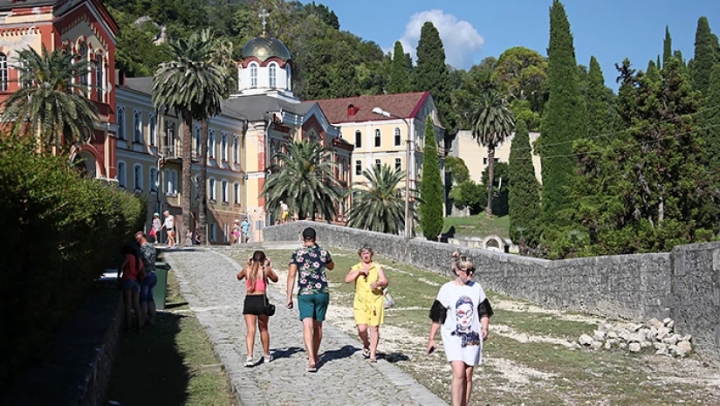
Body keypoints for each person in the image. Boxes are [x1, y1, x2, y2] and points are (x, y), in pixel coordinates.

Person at [427, 253, 493, 406]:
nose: (470, 274)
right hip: (453, 337)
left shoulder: (476, 288)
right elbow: (438, 315)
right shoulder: (447, 289)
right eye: (467, 271)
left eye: (472, 270)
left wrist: (485, 327)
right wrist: (431, 338)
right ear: (457, 271)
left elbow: (483, 311)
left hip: (472, 336)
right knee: (459, 372)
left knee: (468, 375)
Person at [286, 227, 334, 373]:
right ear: (315, 238)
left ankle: (311, 358)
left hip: (305, 293)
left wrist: (289, 297)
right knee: (318, 326)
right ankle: (316, 354)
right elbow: (331, 267)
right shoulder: (323, 252)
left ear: (303, 238)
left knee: (307, 325)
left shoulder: (297, 254)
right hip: (321, 292)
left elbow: (291, 275)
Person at [344, 244, 388, 363]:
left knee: (374, 328)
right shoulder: (356, 267)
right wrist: (358, 272)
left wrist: (378, 283)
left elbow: (385, 281)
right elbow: (347, 279)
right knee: (362, 328)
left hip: (375, 301)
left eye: (368, 253)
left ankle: (373, 354)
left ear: (371, 254)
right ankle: (366, 344)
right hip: (360, 302)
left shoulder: (377, 267)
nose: (366, 255)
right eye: (363, 253)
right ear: (360, 255)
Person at [237, 250, 278, 367]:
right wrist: (268, 266)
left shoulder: (247, 270)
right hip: (261, 300)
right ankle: (266, 355)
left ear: (252, 259)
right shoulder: (265, 270)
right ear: (264, 260)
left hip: (249, 300)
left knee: (250, 330)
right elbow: (275, 279)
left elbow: (238, 277)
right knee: (263, 329)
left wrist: (247, 265)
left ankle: (249, 357)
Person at [117, 244, 145, 331]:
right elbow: (143, 274)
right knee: (136, 304)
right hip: (136, 282)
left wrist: (119, 277)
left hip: (127, 281)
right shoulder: (139, 261)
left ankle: (128, 325)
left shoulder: (128, 257)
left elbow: (121, 267)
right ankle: (139, 325)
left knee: (128, 304)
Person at [135, 231, 158, 326]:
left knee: (143, 299)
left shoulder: (142, 249)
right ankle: (152, 319)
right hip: (153, 273)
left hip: (145, 274)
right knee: (150, 298)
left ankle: (142, 319)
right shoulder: (152, 247)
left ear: (139, 240)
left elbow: (139, 263)